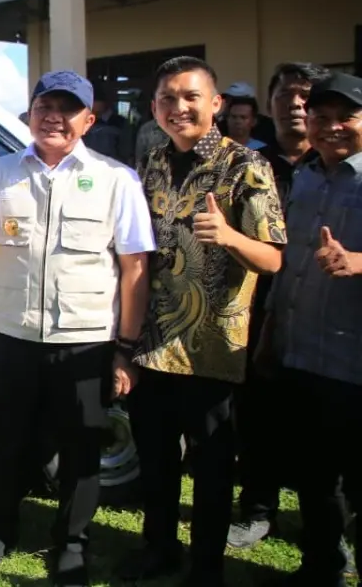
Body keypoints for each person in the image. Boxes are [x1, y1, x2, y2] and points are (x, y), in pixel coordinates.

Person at [0, 71, 154, 586]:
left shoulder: (116, 179)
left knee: (82, 445)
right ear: (31, 113)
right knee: (10, 436)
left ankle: (72, 543)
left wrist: (126, 348)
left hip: (84, 341)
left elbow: (134, 268)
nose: (54, 118)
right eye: (45, 106)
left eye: (68, 109)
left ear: (89, 119)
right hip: (13, 335)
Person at [121, 56, 285, 587]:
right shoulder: (151, 163)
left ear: (215, 103)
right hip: (154, 340)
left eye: (190, 96)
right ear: (154, 109)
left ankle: (207, 567)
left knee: (212, 468)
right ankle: (160, 550)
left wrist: (230, 236)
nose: (179, 107)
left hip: (211, 348)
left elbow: (273, 258)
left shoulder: (246, 166)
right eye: (167, 98)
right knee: (157, 459)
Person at [256, 72, 362, 586]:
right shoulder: (306, 177)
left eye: (346, 117)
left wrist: (358, 262)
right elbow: (291, 262)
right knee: (315, 477)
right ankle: (322, 569)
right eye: (322, 117)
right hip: (301, 352)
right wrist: (271, 329)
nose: (332, 127)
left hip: (353, 362)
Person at [230, 62, 331, 549]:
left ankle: (326, 526)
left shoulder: (336, 166)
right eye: (285, 94)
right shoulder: (250, 163)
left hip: (322, 311)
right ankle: (257, 508)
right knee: (259, 414)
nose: (294, 103)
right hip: (256, 308)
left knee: (321, 424)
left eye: (304, 95)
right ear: (269, 104)